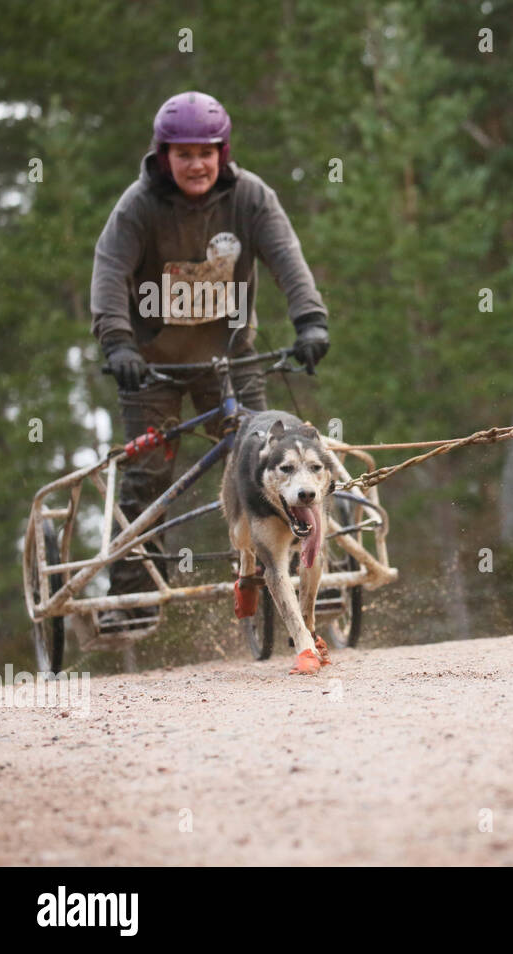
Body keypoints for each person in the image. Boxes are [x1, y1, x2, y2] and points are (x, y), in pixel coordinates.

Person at [90, 91, 331, 632]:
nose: (196, 164)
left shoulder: (250, 197)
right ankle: (132, 600)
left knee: (271, 460)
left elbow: (287, 258)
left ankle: (296, 572)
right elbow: (109, 275)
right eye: (183, 154)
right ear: (163, 156)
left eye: (207, 152)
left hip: (232, 357)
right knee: (149, 477)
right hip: (151, 366)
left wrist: (310, 321)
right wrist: (118, 345)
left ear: (223, 152)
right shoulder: (137, 207)